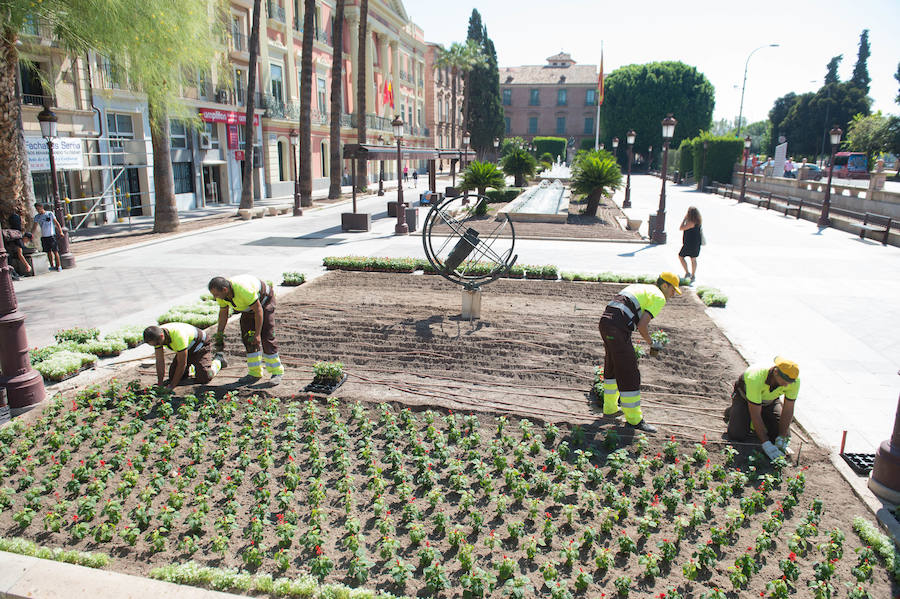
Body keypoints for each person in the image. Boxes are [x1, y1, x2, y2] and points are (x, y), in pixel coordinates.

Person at [598, 272, 682, 433]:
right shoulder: (659, 297)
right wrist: (653, 343)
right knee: (629, 372)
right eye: (673, 290)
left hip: (606, 323)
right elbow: (643, 326)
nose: (673, 294)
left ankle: (610, 408)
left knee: (613, 366)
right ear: (665, 285)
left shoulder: (642, 287)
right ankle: (635, 420)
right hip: (617, 328)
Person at [209, 275, 284, 384]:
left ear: (225, 290)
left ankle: (277, 372)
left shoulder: (243, 290)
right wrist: (219, 334)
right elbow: (223, 314)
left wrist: (257, 334)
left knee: (266, 336)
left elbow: (258, 311)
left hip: (264, 302)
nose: (215, 297)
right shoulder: (223, 296)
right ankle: (255, 373)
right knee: (248, 338)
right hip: (248, 308)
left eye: (216, 294)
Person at [724, 357, 799, 460]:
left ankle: (761, 417)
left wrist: (781, 436)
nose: (787, 384)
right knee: (737, 434)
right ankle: (732, 411)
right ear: (776, 372)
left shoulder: (793, 382)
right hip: (745, 399)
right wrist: (766, 443)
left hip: (769, 401)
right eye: (785, 381)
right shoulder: (755, 377)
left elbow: (788, 409)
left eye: (791, 381)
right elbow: (755, 414)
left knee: (777, 433)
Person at [143, 323, 226, 390]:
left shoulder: (178, 336)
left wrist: (172, 386)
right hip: (186, 348)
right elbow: (160, 361)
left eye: (157, 344)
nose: (157, 346)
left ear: (161, 336)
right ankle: (193, 368)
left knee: (205, 377)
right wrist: (160, 383)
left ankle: (218, 360)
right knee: (172, 377)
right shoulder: (156, 336)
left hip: (200, 345)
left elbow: (182, 363)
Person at [32, 203, 62, 271]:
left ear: (42, 207)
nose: (38, 210)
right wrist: (32, 234)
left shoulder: (49, 214)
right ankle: (52, 265)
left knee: (55, 251)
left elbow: (56, 223)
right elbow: (34, 226)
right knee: (48, 251)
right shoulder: (37, 217)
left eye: (38, 208)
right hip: (44, 236)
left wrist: (60, 231)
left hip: (51, 235)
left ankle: (58, 265)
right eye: (36, 209)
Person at [678, 207, 702, 282]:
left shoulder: (691, 223)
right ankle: (693, 275)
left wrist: (684, 219)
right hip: (696, 243)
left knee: (681, 256)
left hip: (689, 244)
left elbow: (681, 228)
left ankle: (688, 273)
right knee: (693, 259)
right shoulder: (698, 221)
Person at [6, 207, 32, 278]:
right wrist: (27, 265)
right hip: (8, 256)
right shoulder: (17, 235)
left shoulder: (8, 232)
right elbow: (20, 254)